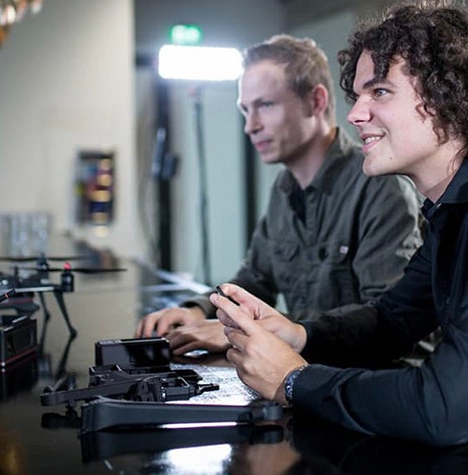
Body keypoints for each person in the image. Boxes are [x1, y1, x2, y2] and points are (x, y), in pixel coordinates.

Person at [215, 0, 468, 446]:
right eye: (358, 94)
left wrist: (294, 379)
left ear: (445, 94)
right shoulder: (449, 217)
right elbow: (392, 320)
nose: (354, 114)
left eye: (381, 92)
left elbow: (444, 409)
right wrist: (297, 333)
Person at [136, 34, 423, 355]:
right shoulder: (284, 188)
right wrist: (198, 309)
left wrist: (253, 329)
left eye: (265, 105)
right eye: (246, 110)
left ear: (316, 101)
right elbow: (256, 279)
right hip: (309, 374)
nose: (251, 126)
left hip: (366, 385)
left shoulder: (379, 185)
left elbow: (389, 322)